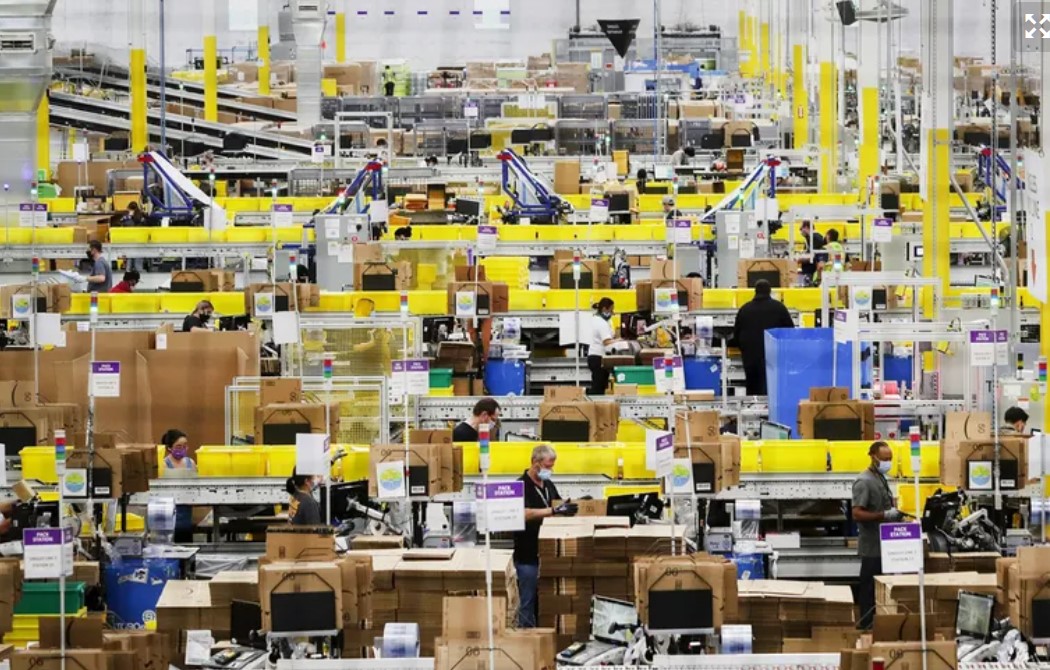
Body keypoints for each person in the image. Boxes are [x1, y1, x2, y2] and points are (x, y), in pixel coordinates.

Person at [514, 445, 577, 628]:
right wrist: (553, 510)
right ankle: (526, 640)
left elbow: (556, 504)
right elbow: (523, 513)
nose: (551, 470)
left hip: (548, 554)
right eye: (548, 466)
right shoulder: (521, 485)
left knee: (545, 602)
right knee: (527, 601)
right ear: (535, 463)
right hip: (528, 556)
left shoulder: (548, 485)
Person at [852, 441, 902, 630]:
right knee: (868, 587)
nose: (887, 463)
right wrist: (883, 515)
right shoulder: (864, 481)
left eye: (890, 459)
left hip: (885, 544)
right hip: (872, 546)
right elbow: (856, 513)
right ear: (873, 457)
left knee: (880, 588)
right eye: (884, 459)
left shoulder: (879, 477)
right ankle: (866, 624)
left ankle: (878, 623)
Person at [733, 280, 794, 395]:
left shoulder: (744, 309)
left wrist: (744, 349)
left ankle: (752, 409)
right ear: (770, 291)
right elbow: (790, 331)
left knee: (753, 386)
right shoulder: (779, 308)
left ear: (755, 291)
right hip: (774, 355)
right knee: (773, 387)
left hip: (751, 356)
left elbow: (736, 333)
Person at [587, 298, 618, 396]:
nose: (612, 312)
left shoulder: (603, 321)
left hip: (598, 357)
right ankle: (592, 407)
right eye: (611, 309)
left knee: (601, 386)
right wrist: (620, 342)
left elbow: (612, 334)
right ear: (605, 309)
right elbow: (607, 341)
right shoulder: (600, 322)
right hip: (598, 358)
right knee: (598, 388)